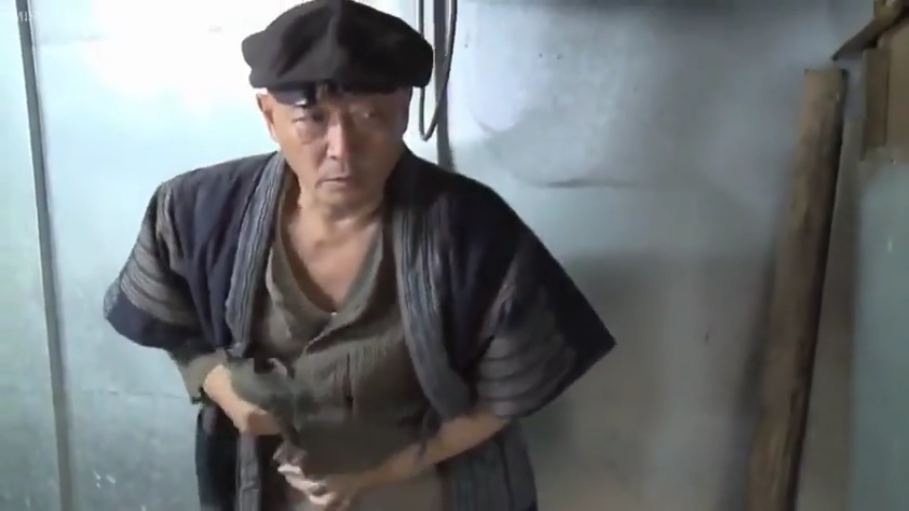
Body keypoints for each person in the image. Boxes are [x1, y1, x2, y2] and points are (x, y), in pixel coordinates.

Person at [103, 0, 616, 510]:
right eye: (312, 119)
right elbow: (173, 324)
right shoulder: (199, 211)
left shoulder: (473, 230)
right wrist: (218, 383)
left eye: (370, 116)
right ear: (269, 115)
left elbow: (508, 392)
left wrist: (382, 472)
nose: (342, 149)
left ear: (404, 112)